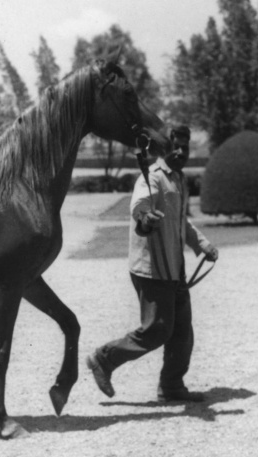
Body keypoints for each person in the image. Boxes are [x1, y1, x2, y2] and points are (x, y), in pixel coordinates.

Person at [86, 125, 219, 402]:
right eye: (176, 145)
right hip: (152, 268)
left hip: (174, 268)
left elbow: (180, 221)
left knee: (182, 332)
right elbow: (139, 208)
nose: (181, 151)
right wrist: (146, 220)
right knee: (157, 329)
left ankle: (171, 385)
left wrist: (202, 244)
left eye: (185, 146)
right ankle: (104, 358)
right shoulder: (152, 178)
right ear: (163, 148)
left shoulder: (179, 180)